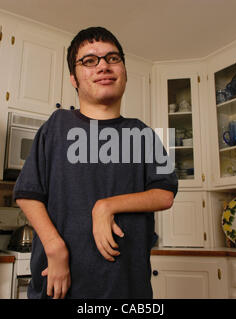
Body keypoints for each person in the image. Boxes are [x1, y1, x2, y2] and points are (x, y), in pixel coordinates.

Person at [13, 26, 178, 299]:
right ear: (73, 79)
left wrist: (106, 206)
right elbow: (27, 193)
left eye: (112, 58)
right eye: (90, 61)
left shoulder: (143, 134)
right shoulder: (56, 126)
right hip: (59, 288)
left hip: (127, 289)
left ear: (123, 72)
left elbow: (165, 193)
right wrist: (54, 247)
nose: (103, 66)